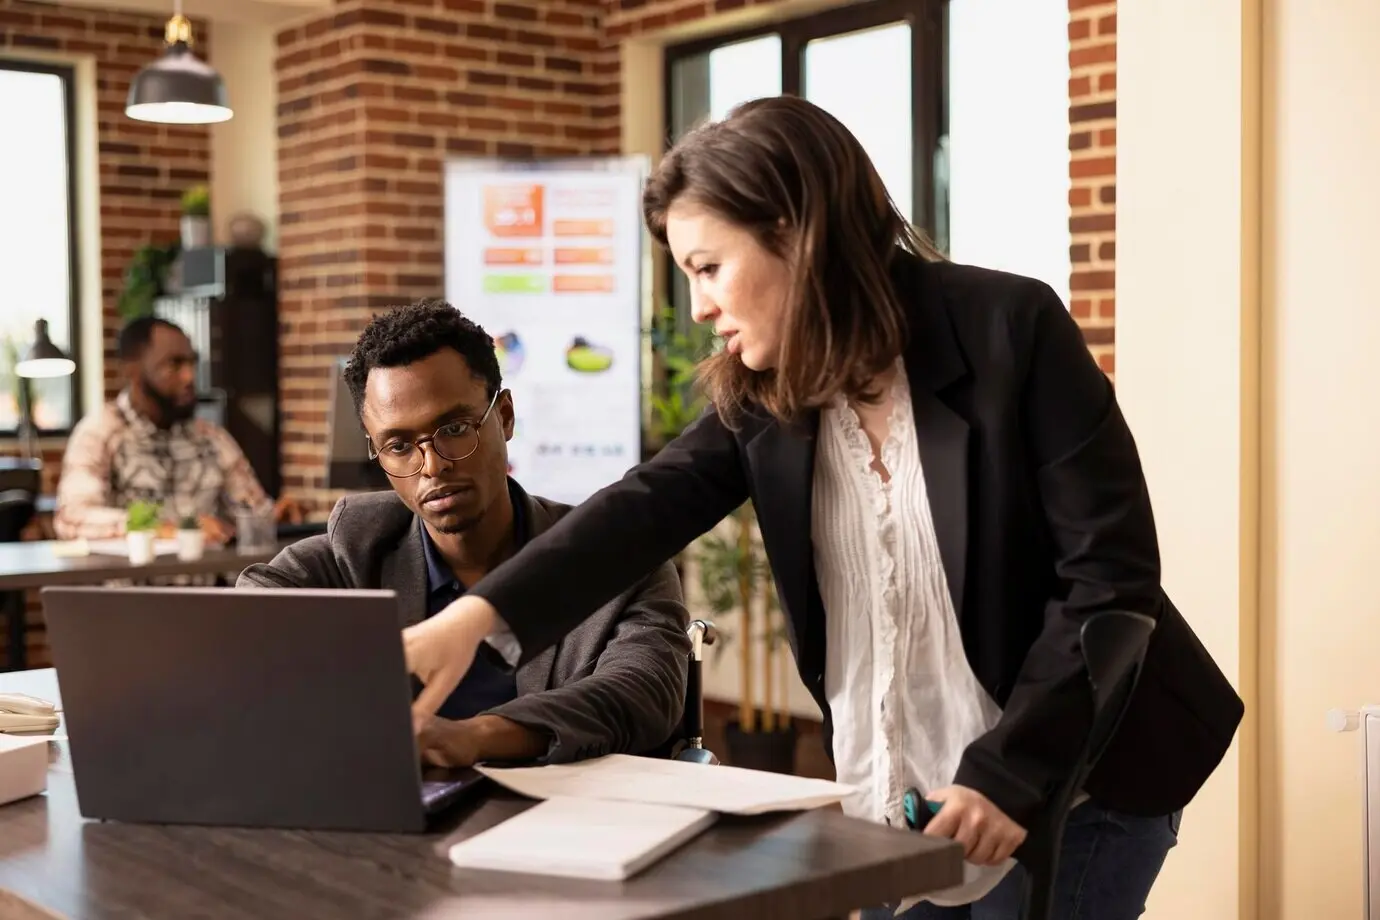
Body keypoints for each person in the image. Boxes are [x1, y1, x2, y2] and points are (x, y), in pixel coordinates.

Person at [400, 96, 1244, 917]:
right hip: (902, 796)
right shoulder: (765, 397)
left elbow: (1110, 581)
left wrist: (1014, 774)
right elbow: (640, 511)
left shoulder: (1010, 330)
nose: (697, 307)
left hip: (1079, 781)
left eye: (708, 268)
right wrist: (472, 618)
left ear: (796, 235)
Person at [239, 301, 690, 768]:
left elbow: (642, 692)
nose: (433, 465)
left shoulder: (616, 558)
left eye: (454, 429)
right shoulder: (359, 547)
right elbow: (247, 619)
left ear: (506, 416)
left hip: (566, 822)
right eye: (399, 446)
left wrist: (476, 737)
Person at [55, 316, 301, 543]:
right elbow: (72, 519)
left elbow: (251, 509)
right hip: (131, 587)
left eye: (192, 363)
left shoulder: (210, 438)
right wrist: (164, 530)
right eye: (175, 364)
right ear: (132, 370)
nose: (189, 376)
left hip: (210, 587)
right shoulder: (101, 432)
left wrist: (274, 517)